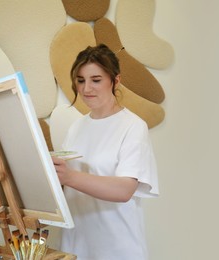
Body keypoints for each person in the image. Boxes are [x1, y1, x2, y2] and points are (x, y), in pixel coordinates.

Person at [52, 44, 159, 260]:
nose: (86, 88)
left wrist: (70, 177)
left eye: (96, 80)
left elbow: (124, 190)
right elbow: (67, 189)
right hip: (76, 246)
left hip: (118, 249)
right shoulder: (76, 128)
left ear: (115, 80)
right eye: (80, 80)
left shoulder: (132, 126)